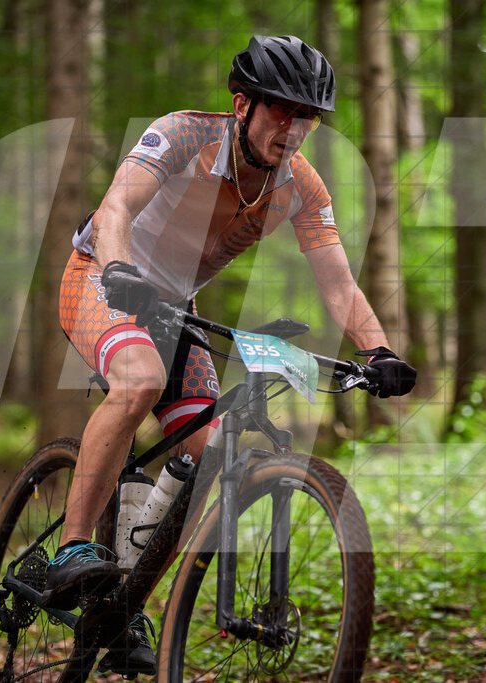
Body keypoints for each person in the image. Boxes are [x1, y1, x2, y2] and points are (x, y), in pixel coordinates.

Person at [47, 35, 416, 675]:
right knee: (140, 378)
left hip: (176, 305)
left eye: (308, 117)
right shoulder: (183, 135)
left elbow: (338, 283)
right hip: (102, 276)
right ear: (243, 105)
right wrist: (118, 269)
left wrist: (377, 349)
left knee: (208, 453)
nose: (294, 129)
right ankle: (72, 549)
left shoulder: (301, 186)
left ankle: (122, 604)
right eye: (282, 111)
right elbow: (116, 207)